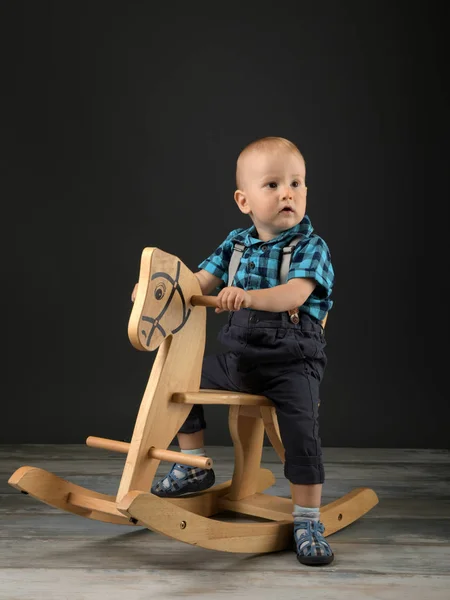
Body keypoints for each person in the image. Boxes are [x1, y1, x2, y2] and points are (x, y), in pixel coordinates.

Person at [131, 136, 335, 565]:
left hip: (292, 363)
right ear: (244, 200)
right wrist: (156, 291)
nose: (288, 193)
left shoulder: (310, 247)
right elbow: (197, 283)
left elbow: (294, 295)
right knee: (180, 382)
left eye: (297, 184)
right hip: (241, 360)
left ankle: (308, 517)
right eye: (273, 184)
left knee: (301, 432)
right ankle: (191, 464)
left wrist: (247, 297)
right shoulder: (235, 244)